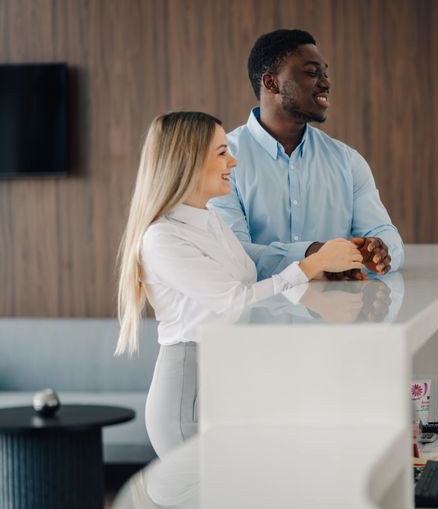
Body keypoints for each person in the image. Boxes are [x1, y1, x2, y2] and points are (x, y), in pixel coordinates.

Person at [115, 111, 364, 457]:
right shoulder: (162, 238)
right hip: (190, 396)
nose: (233, 161)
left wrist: (317, 284)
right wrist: (313, 262)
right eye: (221, 153)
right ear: (187, 162)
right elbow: (236, 301)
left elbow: (255, 283)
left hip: (224, 380)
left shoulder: (211, 221)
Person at [208, 29, 403, 281]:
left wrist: (379, 251)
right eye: (312, 73)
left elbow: (386, 235)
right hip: (254, 316)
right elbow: (234, 255)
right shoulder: (222, 160)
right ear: (271, 83)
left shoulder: (347, 161)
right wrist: (316, 256)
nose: (326, 83)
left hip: (339, 315)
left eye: (325, 73)